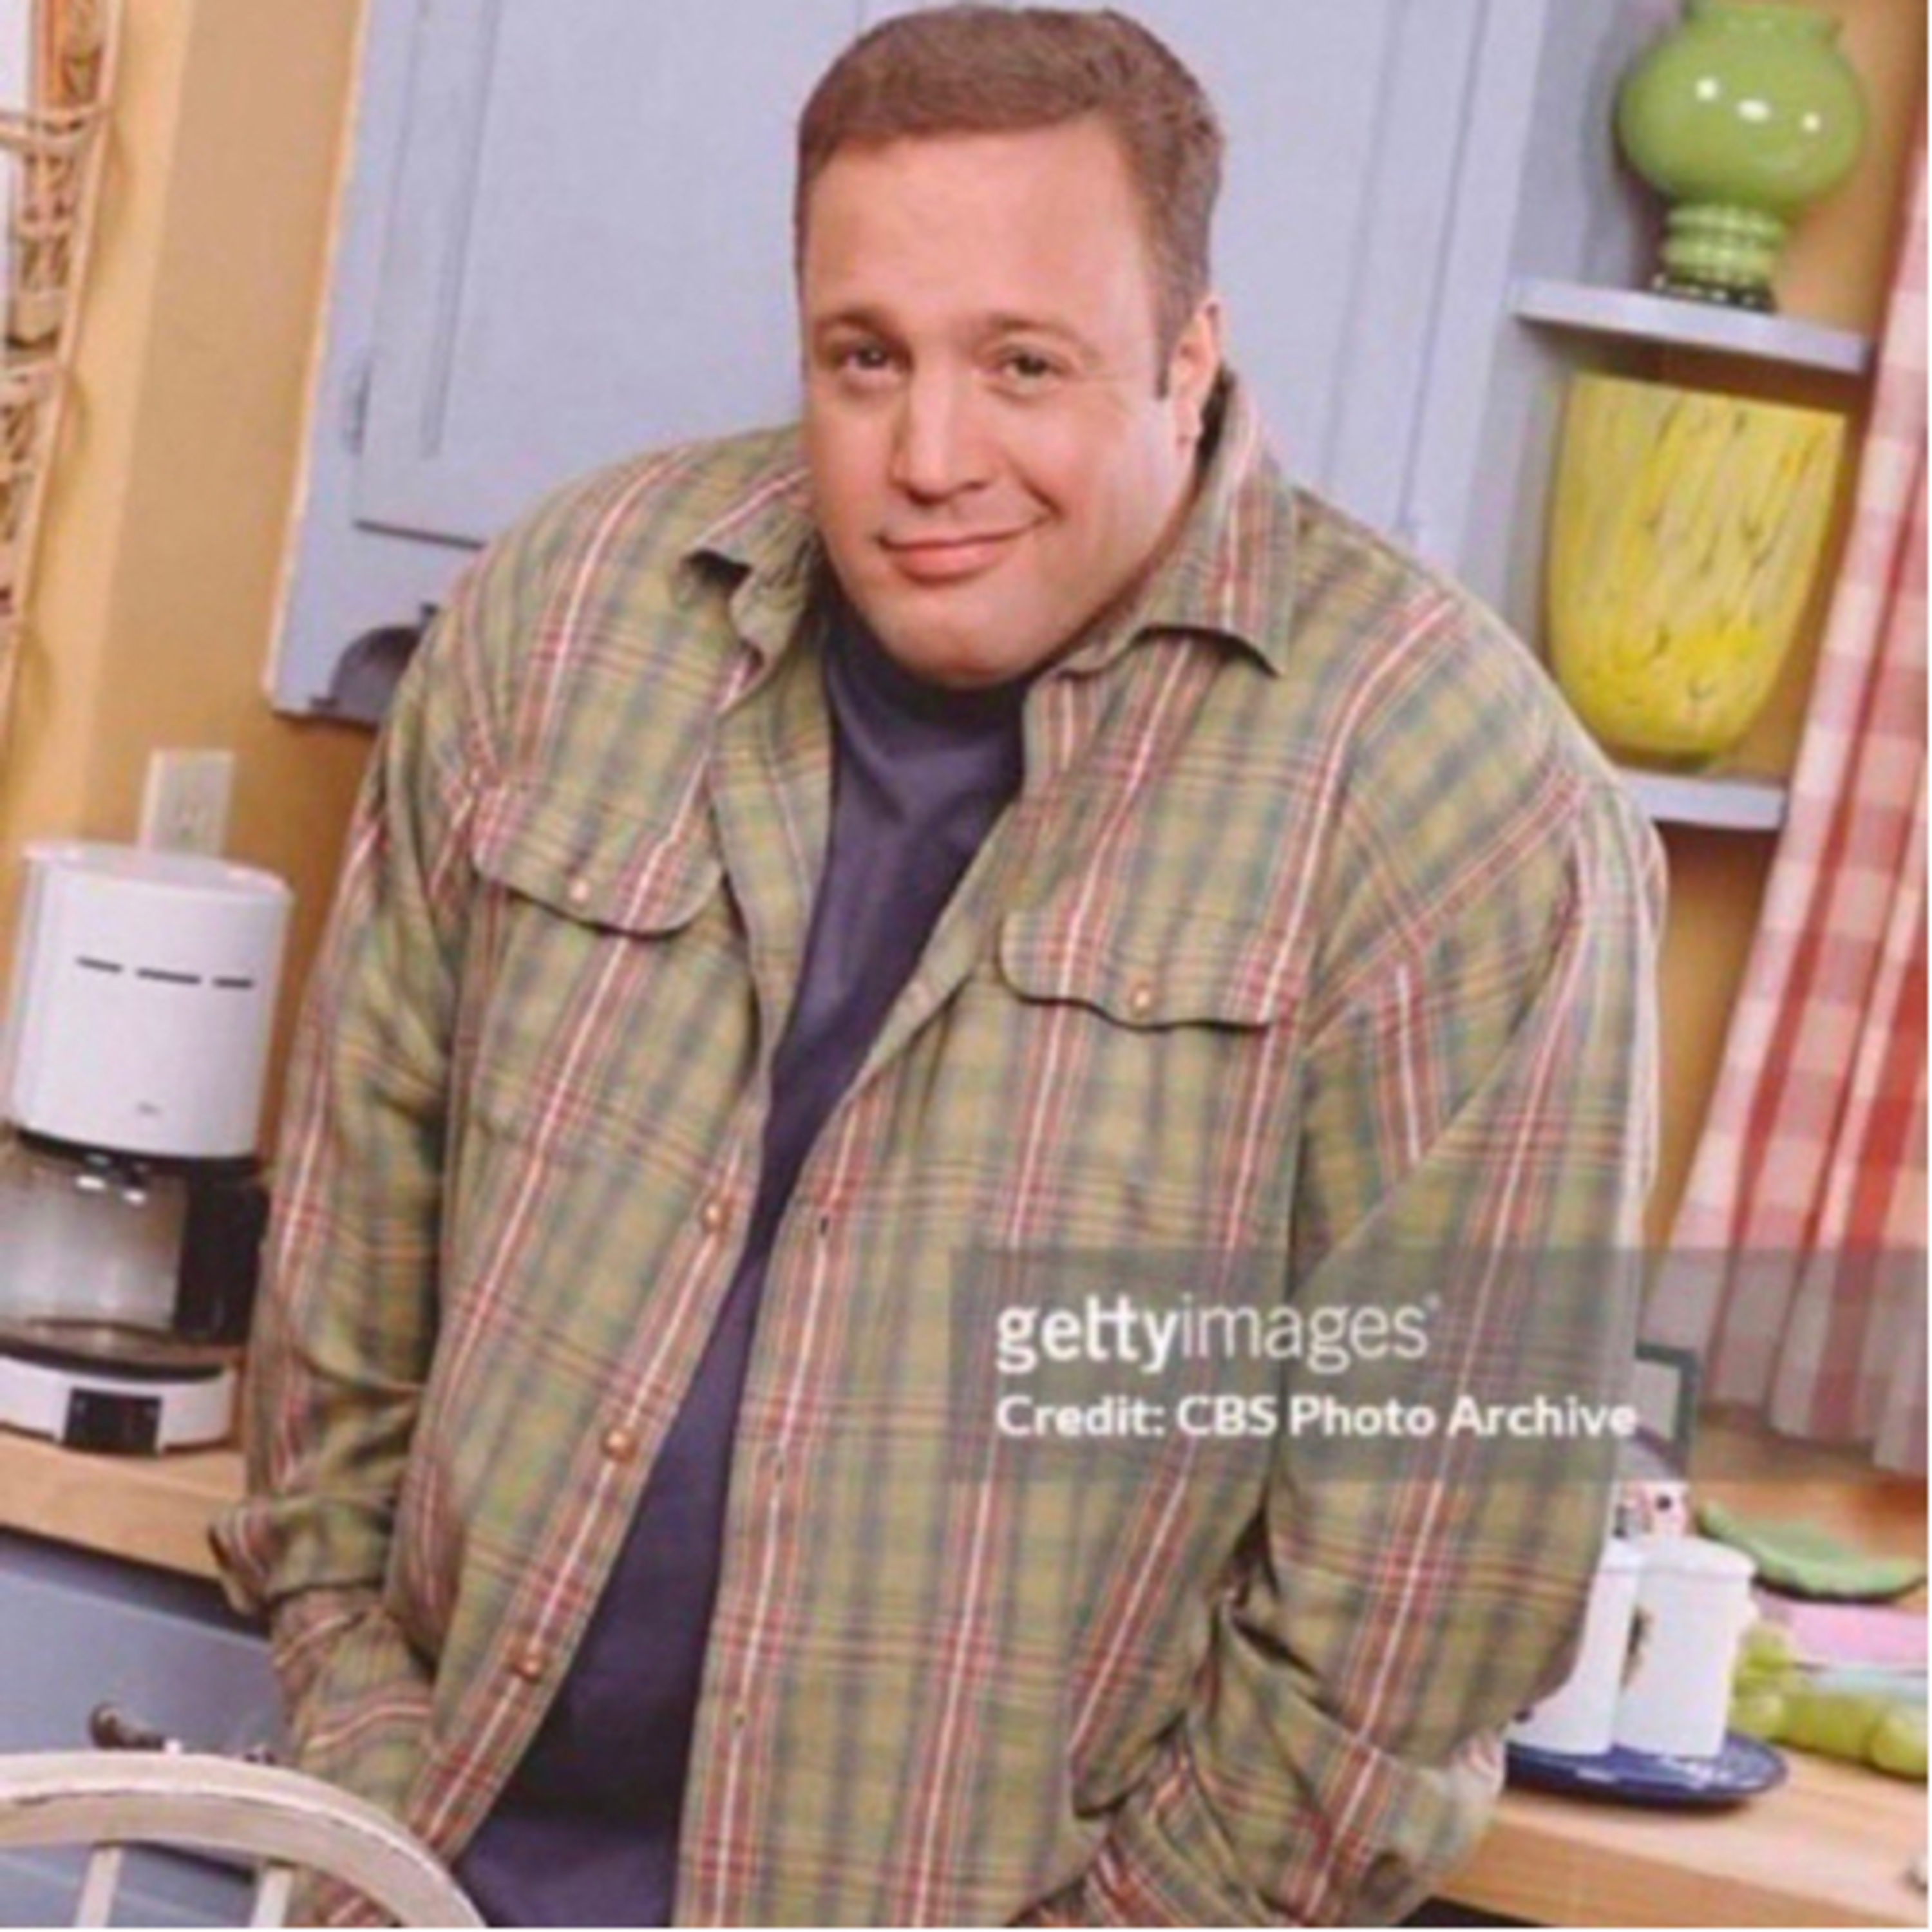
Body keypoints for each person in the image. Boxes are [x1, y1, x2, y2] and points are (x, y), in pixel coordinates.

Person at [216, 7, 1663, 1926]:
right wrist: (367, 1787)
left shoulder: (1454, 800)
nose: (930, 455)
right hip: (424, 1876)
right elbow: (343, 1294)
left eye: (1025, 364)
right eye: (866, 357)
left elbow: (1429, 1591)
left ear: (1188, 356)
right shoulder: (560, 628)